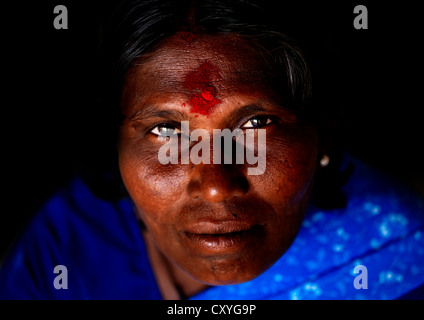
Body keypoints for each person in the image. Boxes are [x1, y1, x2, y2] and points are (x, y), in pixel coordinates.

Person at [1, 0, 423, 300]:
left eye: (256, 124)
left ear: (325, 134)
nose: (217, 186)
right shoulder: (63, 250)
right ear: (113, 144)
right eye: (166, 129)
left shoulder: (400, 260)